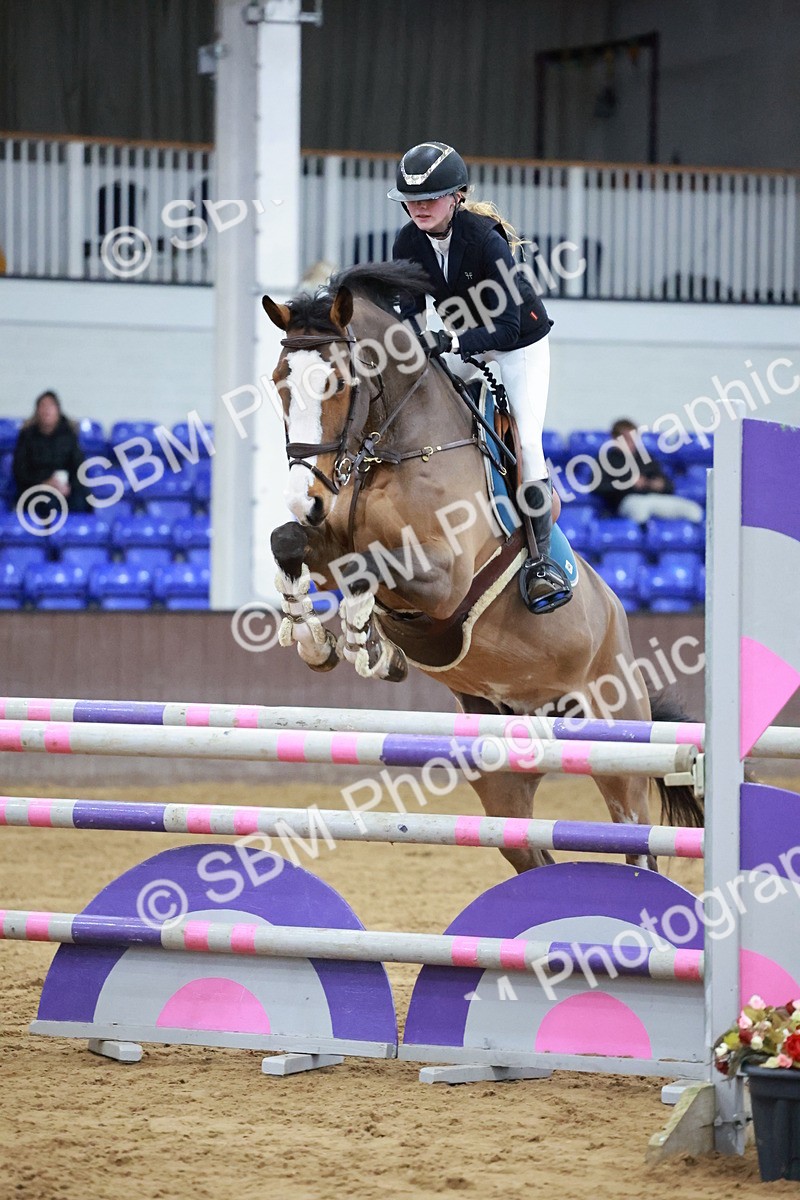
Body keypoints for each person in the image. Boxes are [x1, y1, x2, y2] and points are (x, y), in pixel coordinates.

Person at [388, 141, 571, 615]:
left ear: (458, 197)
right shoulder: (408, 241)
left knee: (528, 442)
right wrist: (416, 345)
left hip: (520, 345)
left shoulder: (485, 241)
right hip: (467, 338)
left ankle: (541, 562)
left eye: (431, 197)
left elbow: (509, 327)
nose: (420, 208)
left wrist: (448, 344)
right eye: (412, 200)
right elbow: (406, 311)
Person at [596, 419, 704, 523]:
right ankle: (644, 537)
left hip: (656, 498)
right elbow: (598, 488)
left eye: (634, 438)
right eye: (627, 438)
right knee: (640, 510)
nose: (631, 442)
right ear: (615, 439)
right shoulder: (606, 459)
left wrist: (661, 485)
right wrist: (629, 483)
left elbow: (669, 485)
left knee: (693, 510)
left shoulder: (645, 457)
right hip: (628, 500)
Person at [13, 390, 88, 513]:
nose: (47, 410)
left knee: (80, 501)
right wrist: (45, 482)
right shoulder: (27, 436)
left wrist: (69, 486)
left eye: (51, 406)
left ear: (58, 410)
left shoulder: (69, 435)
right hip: (36, 488)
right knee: (48, 503)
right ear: (37, 411)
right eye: (43, 406)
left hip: (65, 488)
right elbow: (20, 471)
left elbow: (79, 467)